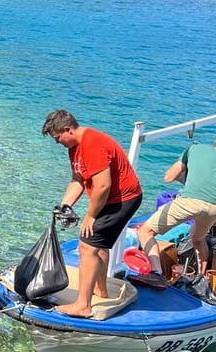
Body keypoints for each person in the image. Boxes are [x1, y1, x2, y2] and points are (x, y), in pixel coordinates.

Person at [42, 110, 143, 318]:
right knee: (99, 244)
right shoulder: (74, 147)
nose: (57, 142)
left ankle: (82, 305)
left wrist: (90, 215)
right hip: (108, 198)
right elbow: (78, 180)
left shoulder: (92, 144)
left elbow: (103, 186)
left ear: (68, 129)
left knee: (87, 245)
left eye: (57, 137)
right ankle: (101, 289)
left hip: (122, 199)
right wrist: (65, 205)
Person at [137, 136, 216, 276]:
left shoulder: (194, 148)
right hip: (215, 209)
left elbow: (168, 177)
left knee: (145, 231)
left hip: (189, 202)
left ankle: (156, 273)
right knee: (198, 239)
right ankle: (201, 276)